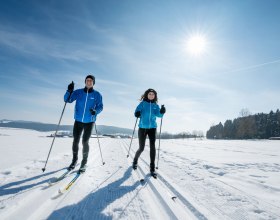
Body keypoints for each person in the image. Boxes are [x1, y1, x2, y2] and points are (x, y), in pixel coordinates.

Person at [64, 74, 103, 173]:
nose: (89, 82)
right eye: (87, 80)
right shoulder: (78, 92)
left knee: (85, 142)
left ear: (93, 83)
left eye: (91, 80)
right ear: (85, 82)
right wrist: (69, 91)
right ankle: (74, 161)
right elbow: (67, 100)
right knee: (75, 141)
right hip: (78, 121)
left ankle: (84, 162)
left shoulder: (97, 95)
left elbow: (100, 106)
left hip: (89, 122)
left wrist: (96, 111)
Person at [132, 88, 166, 176]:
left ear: (155, 96)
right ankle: (135, 160)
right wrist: (137, 113)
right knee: (141, 148)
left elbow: (159, 115)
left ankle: (152, 168)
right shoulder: (142, 104)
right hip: (142, 128)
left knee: (152, 147)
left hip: (152, 128)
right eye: (150, 94)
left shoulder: (155, 105)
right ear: (147, 95)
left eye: (153, 94)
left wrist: (162, 111)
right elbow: (136, 111)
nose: (151, 95)